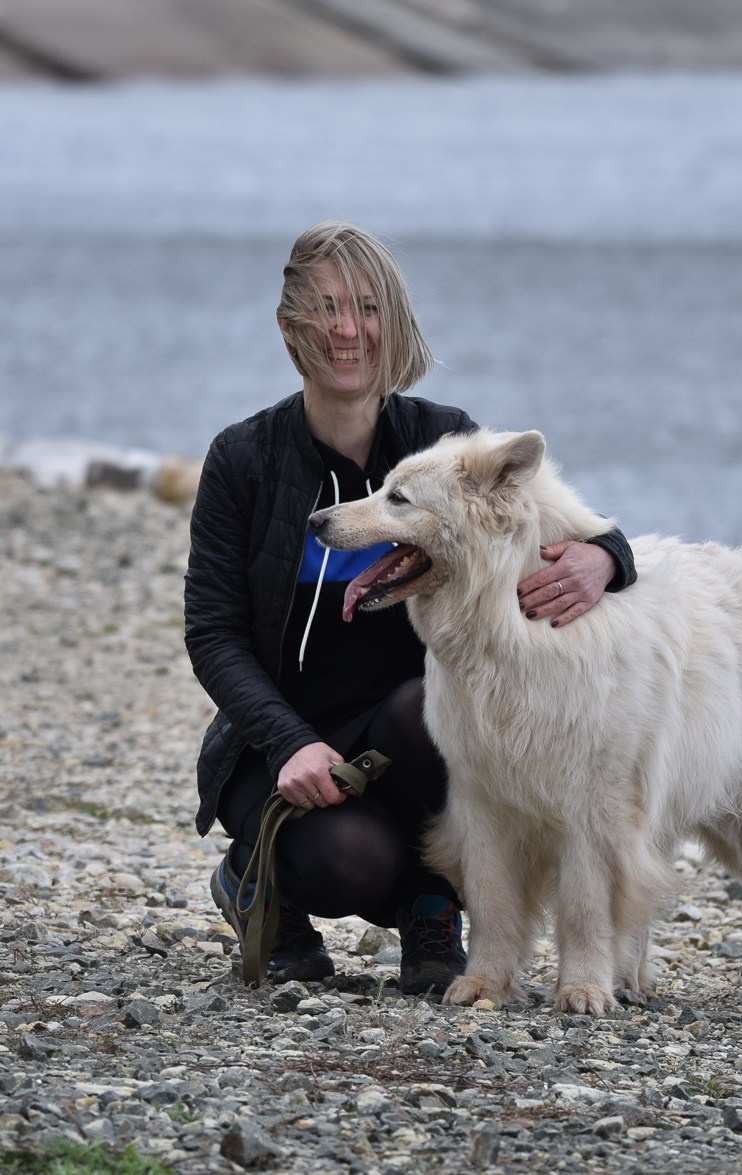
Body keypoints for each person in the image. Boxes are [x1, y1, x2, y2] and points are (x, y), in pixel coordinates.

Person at [186, 221, 638, 994]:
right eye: (326, 308)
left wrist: (608, 559)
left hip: (405, 722)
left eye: (367, 307)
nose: (348, 330)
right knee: (348, 864)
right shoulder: (244, 458)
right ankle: (258, 885)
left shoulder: (440, 438)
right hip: (278, 745)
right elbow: (213, 632)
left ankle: (433, 904)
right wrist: (288, 741)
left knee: (441, 708)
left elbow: (557, 517)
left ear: (392, 321)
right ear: (289, 324)